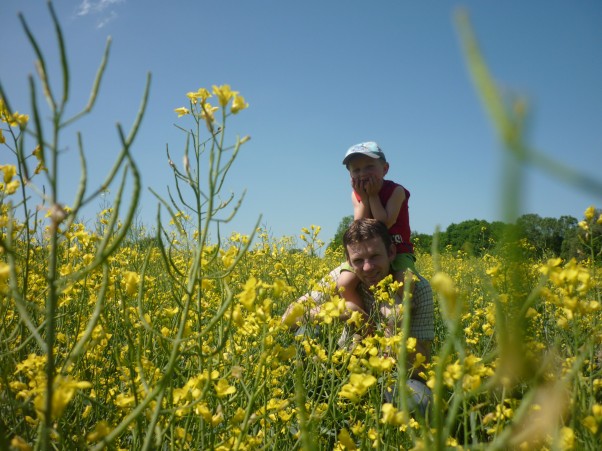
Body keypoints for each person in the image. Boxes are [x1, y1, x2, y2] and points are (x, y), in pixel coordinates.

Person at [282, 218, 434, 415]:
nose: (368, 267)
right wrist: (345, 310)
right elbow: (287, 318)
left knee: (422, 402)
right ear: (349, 261)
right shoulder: (341, 278)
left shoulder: (416, 288)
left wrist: (396, 324)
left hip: (395, 376)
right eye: (358, 261)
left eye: (375, 256)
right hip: (345, 367)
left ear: (391, 253)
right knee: (306, 330)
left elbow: (420, 369)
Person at [338, 141, 418, 318]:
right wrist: (365, 199)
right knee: (344, 282)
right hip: (368, 251)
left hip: (398, 249)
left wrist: (373, 195)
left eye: (369, 167)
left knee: (404, 281)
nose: (363, 173)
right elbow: (358, 228)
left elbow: (384, 223)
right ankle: (360, 316)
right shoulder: (356, 195)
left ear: (385, 168)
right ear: (350, 174)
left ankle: (403, 314)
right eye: (356, 170)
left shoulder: (396, 191)